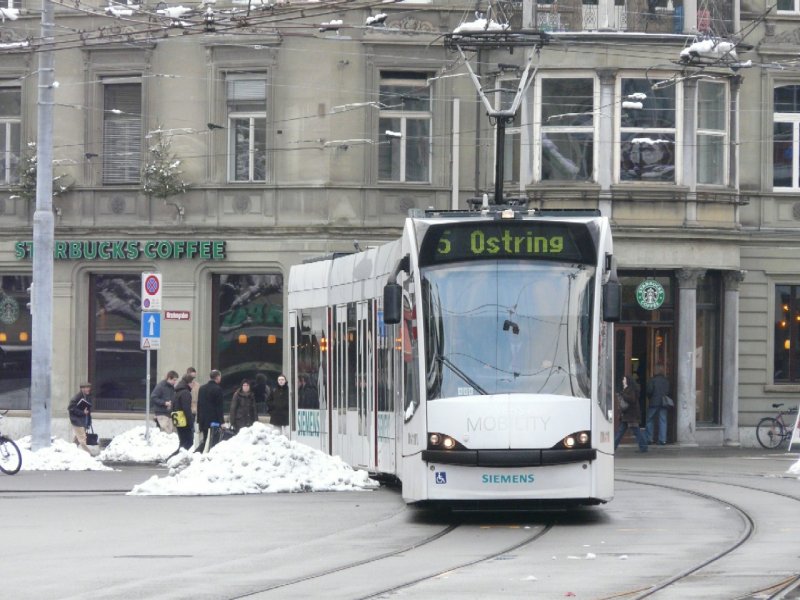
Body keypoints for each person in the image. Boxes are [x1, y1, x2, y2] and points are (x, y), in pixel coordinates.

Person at [614, 374, 648, 453]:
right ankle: (613, 446)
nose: (622, 381)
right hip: (628, 415)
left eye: (624, 379)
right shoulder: (628, 388)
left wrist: (623, 394)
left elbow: (632, 399)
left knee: (635, 431)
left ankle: (643, 447)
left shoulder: (631, 389)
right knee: (622, 431)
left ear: (627, 381)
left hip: (631, 415)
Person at [196, 369, 224, 452]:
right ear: (218, 377)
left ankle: (200, 453)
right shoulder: (218, 389)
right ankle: (206, 454)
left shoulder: (202, 388)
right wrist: (221, 421)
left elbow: (199, 404)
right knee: (213, 441)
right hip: (214, 420)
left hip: (203, 419)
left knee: (205, 439)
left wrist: (199, 419)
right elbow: (219, 407)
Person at [169, 372, 196, 455]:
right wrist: (191, 422)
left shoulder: (177, 392)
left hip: (178, 420)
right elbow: (186, 409)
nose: (194, 385)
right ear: (189, 382)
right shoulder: (186, 393)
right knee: (188, 443)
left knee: (183, 444)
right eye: (193, 382)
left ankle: (172, 459)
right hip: (185, 421)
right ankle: (172, 459)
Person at [646, 366, 671, 445]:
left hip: (654, 402)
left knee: (650, 420)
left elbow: (649, 391)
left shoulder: (652, 380)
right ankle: (662, 440)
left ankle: (649, 439)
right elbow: (668, 391)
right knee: (663, 420)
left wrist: (649, 397)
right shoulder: (666, 381)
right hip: (664, 403)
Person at [68, 382, 94, 455]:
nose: (89, 389)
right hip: (77, 421)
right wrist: (83, 412)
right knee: (82, 439)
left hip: (83, 421)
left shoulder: (87, 397)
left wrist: (89, 422)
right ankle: (89, 454)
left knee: (77, 439)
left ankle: (70, 452)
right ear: (82, 389)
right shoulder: (76, 397)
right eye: (87, 387)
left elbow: (88, 411)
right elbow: (71, 408)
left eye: (89, 387)